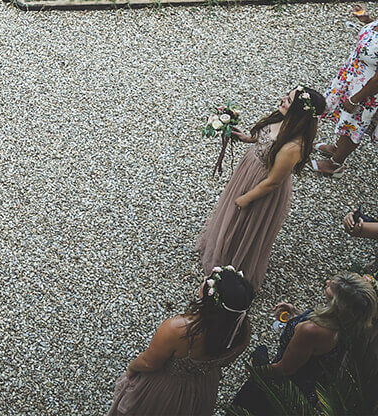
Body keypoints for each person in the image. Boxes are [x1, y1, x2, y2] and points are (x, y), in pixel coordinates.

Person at [196, 86, 326, 288]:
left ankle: (233, 264)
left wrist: (247, 198)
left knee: (244, 223)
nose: (283, 100)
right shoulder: (280, 118)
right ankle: (220, 251)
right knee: (232, 217)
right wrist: (247, 138)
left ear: (300, 111)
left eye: (289, 100)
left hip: (261, 185)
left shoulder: (293, 146)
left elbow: (273, 181)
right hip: (249, 171)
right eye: (287, 95)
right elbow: (263, 137)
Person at [107, 266, 254, 416]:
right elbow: (226, 362)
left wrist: (131, 368)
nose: (203, 279)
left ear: (211, 300)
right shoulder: (242, 330)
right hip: (203, 388)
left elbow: (149, 363)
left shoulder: (178, 330)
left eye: (207, 281)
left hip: (166, 390)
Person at [230, 272, 377, 414]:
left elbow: (284, 369)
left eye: (331, 287)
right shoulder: (348, 322)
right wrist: (296, 314)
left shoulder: (311, 331)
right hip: (309, 386)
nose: (326, 282)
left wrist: (254, 371)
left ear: (338, 302)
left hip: (285, 391)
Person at [312, 17, 378, 176]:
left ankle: (335, 165)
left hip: (367, 93)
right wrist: (367, 20)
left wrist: (355, 98)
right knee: (345, 118)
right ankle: (336, 149)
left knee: (353, 125)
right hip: (351, 80)